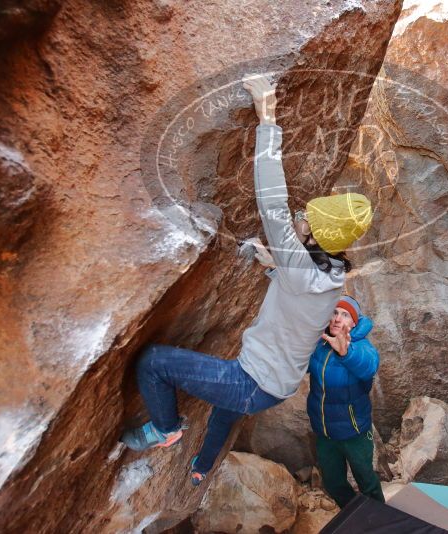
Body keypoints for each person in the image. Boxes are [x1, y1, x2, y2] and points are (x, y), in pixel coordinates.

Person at [120, 74, 373, 488]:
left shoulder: (303, 267)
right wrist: (273, 265)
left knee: (153, 363)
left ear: (317, 234)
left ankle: (165, 429)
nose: (301, 217)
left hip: (252, 382)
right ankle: (202, 466)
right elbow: (302, 300)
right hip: (273, 385)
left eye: (309, 218)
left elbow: (271, 201)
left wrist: (267, 116)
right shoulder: (331, 272)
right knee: (225, 412)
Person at [307, 295, 384, 508]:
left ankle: (382, 521)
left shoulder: (362, 347)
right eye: (334, 312)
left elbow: (368, 366)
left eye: (345, 314)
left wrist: (345, 352)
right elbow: (300, 365)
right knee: (333, 484)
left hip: (354, 432)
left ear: (354, 323)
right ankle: (354, 517)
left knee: (367, 482)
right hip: (325, 432)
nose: (337, 318)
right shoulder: (320, 346)